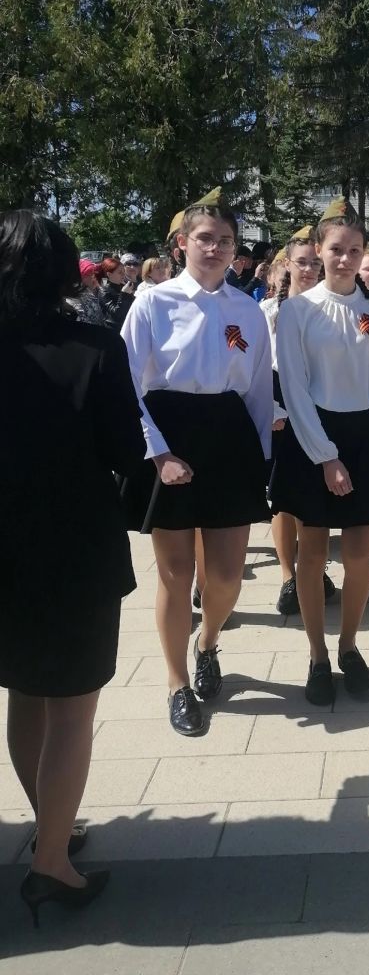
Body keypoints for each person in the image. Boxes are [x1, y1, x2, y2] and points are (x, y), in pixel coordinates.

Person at [0, 211, 145, 922]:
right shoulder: (93, 346)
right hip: (75, 547)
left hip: (6, 549)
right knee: (72, 709)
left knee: (25, 692)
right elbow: (125, 448)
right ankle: (53, 862)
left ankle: (49, 825)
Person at [120, 195, 273, 737]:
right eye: (205, 238)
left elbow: (258, 390)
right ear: (182, 243)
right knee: (175, 572)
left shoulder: (247, 309)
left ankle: (207, 643)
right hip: (170, 435)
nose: (215, 248)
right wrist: (158, 453)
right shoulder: (153, 303)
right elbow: (127, 385)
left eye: (225, 241)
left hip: (229, 438)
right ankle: (176, 682)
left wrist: (262, 461)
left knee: (227, 576)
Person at [272, 200, 369, 705]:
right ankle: (317, 654)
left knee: (357, 554)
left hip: (366, 435)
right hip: (315, 434)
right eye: (336, 249)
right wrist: (325, 456)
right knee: (312, 553)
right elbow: (294, 387)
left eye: (355, 250)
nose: (346, 259)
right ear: (318, 250)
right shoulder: (297, 312)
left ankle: (349, 645)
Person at [263, 228, 336, 615]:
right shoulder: (268, 312)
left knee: (316, 494)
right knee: (284, 497)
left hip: (320, 401)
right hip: (279, 404)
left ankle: (315, 568)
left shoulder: (330, 308)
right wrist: (273, 411)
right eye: (301, 262)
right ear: (286, 265)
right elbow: (257, 367)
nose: (308, 269)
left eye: (314, 262)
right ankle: (289, 574)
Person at [97, 256, 136, 330]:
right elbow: (117, 314)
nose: (123, 274)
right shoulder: (104, 291)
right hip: (114, 330)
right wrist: (124, 294)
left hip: (128, 326)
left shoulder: (123, 286)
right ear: (109, 274)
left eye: (124, 271)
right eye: (120, 272)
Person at [67, 260, 105, 326]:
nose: (93, 276)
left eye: (93, 273)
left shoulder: (97, 290)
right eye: (89, 274)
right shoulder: (75, 298)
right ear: (81, 277)